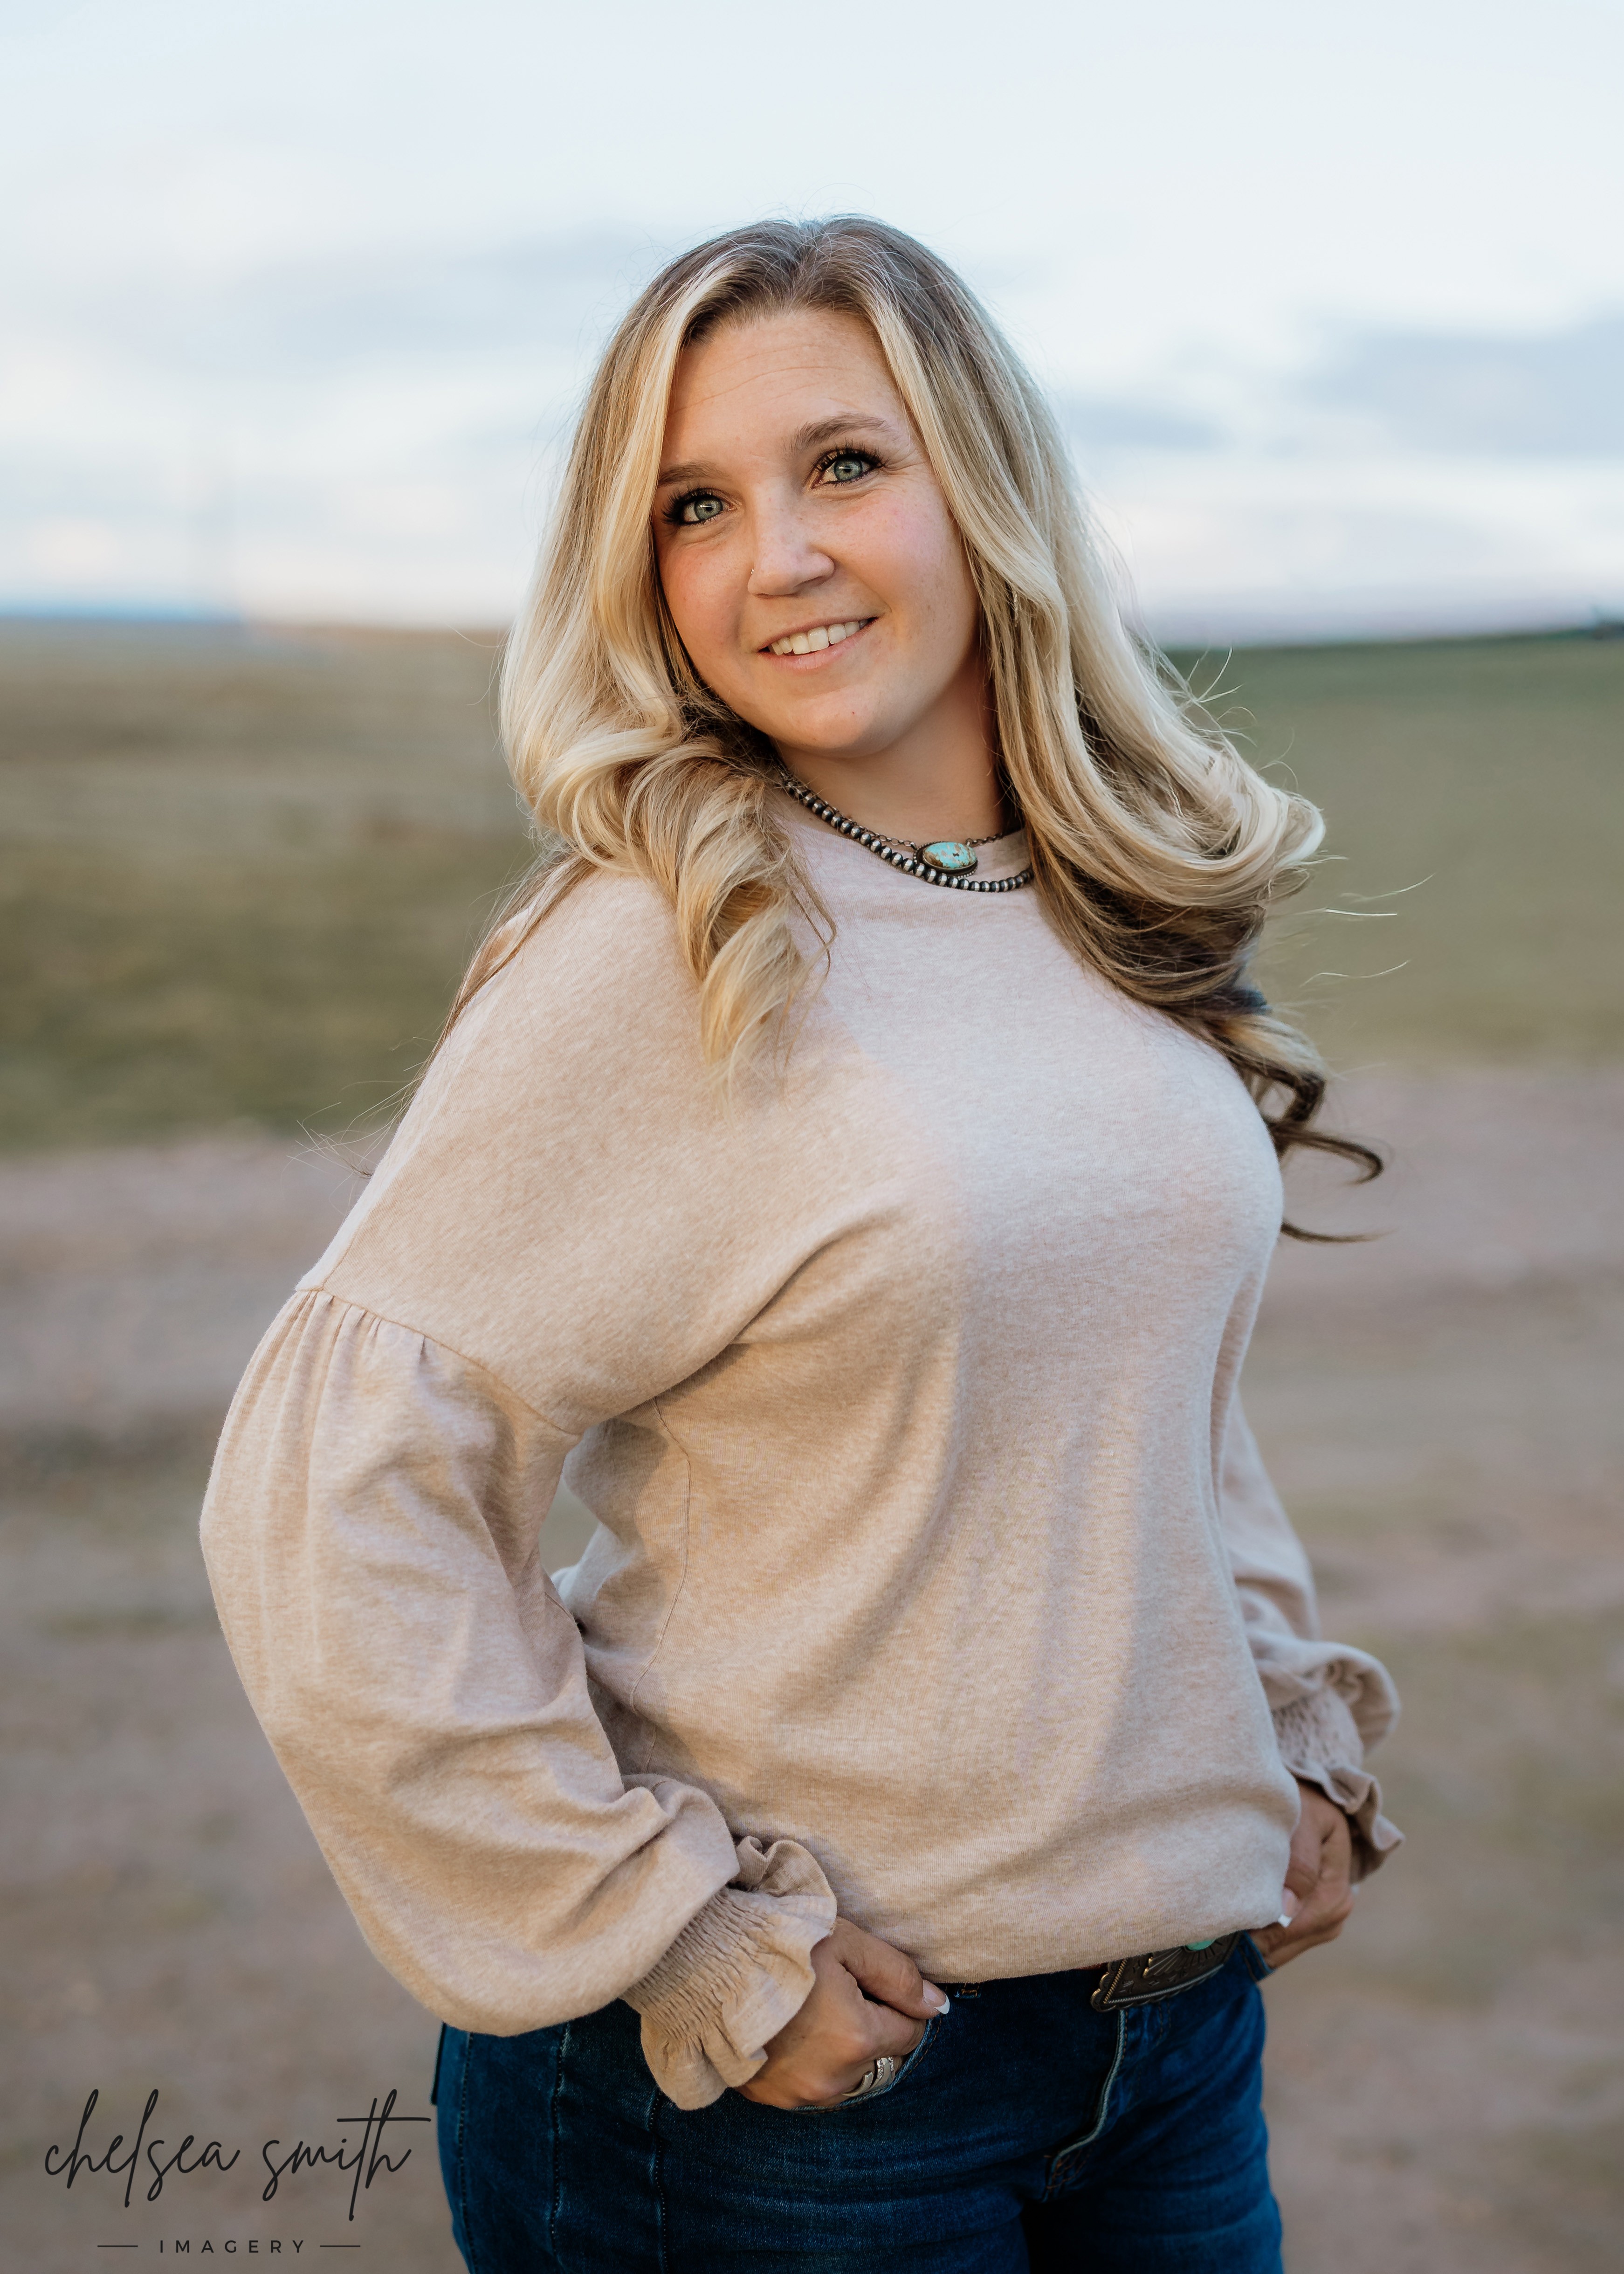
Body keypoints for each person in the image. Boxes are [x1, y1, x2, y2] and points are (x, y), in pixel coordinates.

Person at [201, 215, 1401, 2273]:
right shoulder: (672, 944)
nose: (777, 557)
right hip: (798, 2102)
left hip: (1171, 2047)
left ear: (983, 489)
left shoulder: (1102, 908)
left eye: (843, 464)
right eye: (694, 506)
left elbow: (1131, 1383)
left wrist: (1282, 1721)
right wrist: (671, 1931)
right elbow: (333, 1492)